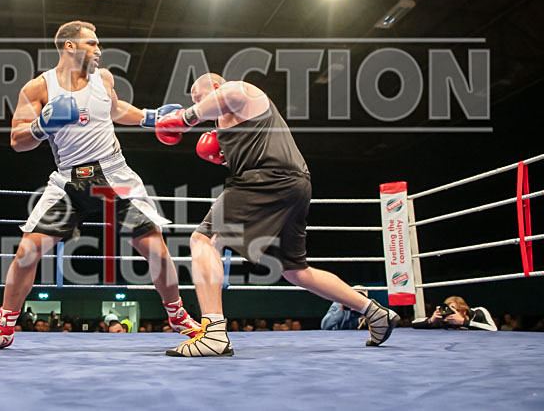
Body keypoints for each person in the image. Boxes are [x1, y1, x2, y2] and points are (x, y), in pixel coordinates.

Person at [0, 21, 200, 351]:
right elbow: (16, 140)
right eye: (92, 43)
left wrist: (152, 117)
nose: (99, 49)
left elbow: (116, 108)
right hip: (68, 181)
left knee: (156, 250)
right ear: (69, 47)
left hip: (115, 176)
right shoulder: (38, 88)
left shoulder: (103, 78)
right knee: (27, 252)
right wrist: (41, 126)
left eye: (98, 44)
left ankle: (178, 317)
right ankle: (4, 328)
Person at [155, 73, 400, 357]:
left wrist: (187, 117)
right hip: (293, 184)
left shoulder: (239, 90)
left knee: (203, 240)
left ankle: (213, 334)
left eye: (200, 98)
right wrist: (225, 155)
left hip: (269, 177)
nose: (200, 106)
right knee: (295, 269)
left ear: (215, 87)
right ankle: (374, 311)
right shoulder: (229, 125)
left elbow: (228, 96)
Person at [412, 296, 496, 331]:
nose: (452, 314)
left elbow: (493, 329)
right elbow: (414, 323)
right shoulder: (445, 319)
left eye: (455, 311)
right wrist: (431, 320)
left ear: (464, 311)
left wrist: (464, 322)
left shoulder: (479, 312)